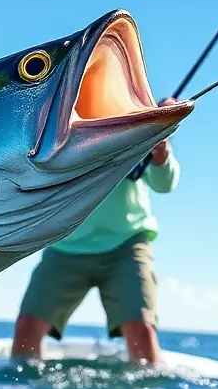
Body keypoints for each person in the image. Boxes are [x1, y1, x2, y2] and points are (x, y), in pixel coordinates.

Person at [12, 98, 180, 365]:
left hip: (127, 245)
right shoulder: (55, 130)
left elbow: (164, 184)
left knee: (141, 330)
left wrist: (160, 152)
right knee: (26, 327)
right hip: (65, 247)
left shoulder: (134, 120)